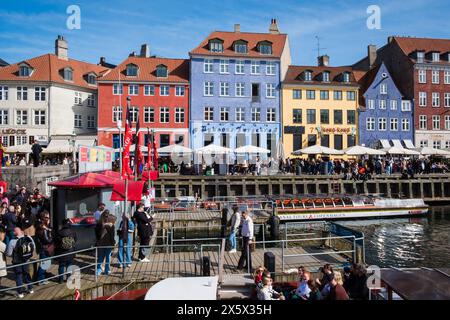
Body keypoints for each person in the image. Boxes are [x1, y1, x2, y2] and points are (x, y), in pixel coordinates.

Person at [6, 227, 35, 298]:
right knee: (26, 274)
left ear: (15, 233)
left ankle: (20, 293)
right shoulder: (28, 237)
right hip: (26, 260)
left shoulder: (12, 241)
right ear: (21, 231)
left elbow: (9, 254)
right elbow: (33, 247)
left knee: (19, 276)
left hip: (17, 262)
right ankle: (30, 289)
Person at [54, 219, 77, 283]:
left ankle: (61, 279)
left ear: (63, 224)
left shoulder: (59, 232)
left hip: (61, 252)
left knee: (61, 265)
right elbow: (75, 240)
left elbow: (56, 242)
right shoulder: (73, 232)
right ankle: (69, 278)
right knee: (69, 266)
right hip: (70, 252)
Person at [95, 210, 116, 276]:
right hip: (108, 243)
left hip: (101, 243)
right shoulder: (111, 225)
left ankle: (98, 271)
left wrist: (98, 240)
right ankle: (107, 271)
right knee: (108, 258)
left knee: (100, 257)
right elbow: (112, 236)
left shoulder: (99, 224)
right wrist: (113, 244)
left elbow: (97, 234)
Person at [35, 212, 53, 285]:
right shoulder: (43, 228)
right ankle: (40, 280)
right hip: (44, 248)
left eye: (49, 217)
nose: (49, 219)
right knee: (44, 265)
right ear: (43, 218)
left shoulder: (43, 226)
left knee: (45, 264)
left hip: (44, 248)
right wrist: (51, 236)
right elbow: (47, 240)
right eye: (47, 217)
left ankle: (42, 278)